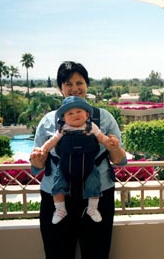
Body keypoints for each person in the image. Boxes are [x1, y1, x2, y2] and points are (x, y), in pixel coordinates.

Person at [29, 61, 127, 259]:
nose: (74, 88)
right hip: (56, 198)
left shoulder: (104, 118)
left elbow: (120, 160)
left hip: (98, 196)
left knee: (97, 254)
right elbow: (37, 167)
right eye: (68, 84)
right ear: (60, 89)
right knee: (57, 254)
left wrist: (113, 147)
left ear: (87, 85)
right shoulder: (49, 121)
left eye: (79, 82)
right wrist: (39, 158)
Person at [37, 96, 115, 224]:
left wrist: (110, 143)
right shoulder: (63, 129)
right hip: (64, 167)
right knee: (58, 186)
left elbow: (102, 138)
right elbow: (52, 141)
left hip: (88, 166)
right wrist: (43, 150)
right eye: (70, 113)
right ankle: (60, 210)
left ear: (87, 114)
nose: (75, 115)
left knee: (94, 185)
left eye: (79, 111)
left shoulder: (91, 127)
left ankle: (92, 208)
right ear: (63, 118)